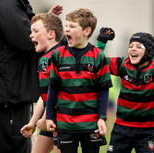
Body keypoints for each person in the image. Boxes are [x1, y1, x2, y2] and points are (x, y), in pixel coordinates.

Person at [0, 1, 61, 152]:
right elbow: (29, 42)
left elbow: (19, 33)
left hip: (5, 91)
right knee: (15, 147)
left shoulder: (3, 5)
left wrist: (45, 25)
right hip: (9, 94)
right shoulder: (7, 5)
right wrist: (50, 35)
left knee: (10, 146)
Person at [97, 23, 154, 153]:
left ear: (149, 51)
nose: (132, 49)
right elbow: (98, 61)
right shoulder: (123, 64)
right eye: (130, 46)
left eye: (138, 46)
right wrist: (102, 41)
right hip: (122, 129)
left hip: (147, 131)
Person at [45, 8, 113, 153]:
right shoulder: (58, 55)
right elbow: (53, 88)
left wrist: (102, 118)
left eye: (72, 26)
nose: (66, 30)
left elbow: (103, 90)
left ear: (86, 31)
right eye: (66, 26)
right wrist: (49, 116)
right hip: (64, 124)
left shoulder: (98, 56)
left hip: (91, 124)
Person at [20, 12, 64, 153]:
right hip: (51, 118)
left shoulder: (59, 56)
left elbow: (59, 91)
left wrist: (46, 117)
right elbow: (45, 95)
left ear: (51, 34)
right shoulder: (44, 58)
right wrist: (32, 122)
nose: (31, 35)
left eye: (36, 31)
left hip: (63, 119)